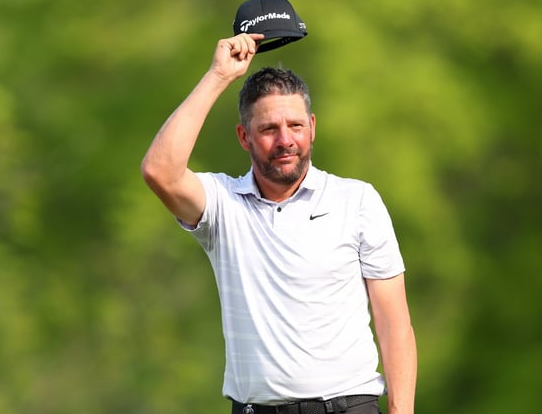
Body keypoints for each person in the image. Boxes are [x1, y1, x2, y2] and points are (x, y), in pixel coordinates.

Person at [141, 33, 417, 414]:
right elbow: (160, 170)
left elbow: (394, 325)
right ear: (244, 136)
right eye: (269, 129)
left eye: (296, 126)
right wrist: (219, 76)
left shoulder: (357, 201)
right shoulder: (223, 204)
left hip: (348, 406)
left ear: (312, 127)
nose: (285, 140)